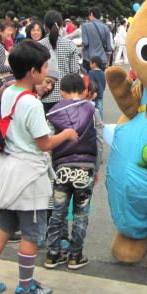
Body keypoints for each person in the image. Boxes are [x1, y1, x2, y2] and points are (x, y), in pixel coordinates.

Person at [0, 40, 78, 294]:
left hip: (8, 169)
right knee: (31, 231)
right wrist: (65, 134)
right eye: (43, 68)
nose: (45, 73)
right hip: (28, 175)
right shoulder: (32, 103)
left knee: (5, 224)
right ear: (33, 71)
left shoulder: (8, 92)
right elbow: (43, 143)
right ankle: (26, 286)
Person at [43, 73, 103, 270]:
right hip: (85, 167)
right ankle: (76, 256)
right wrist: (96, 166)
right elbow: (99, 141)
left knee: (57, 212)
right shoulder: (92, 109)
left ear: (61, 92)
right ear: (85, 91)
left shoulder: (53, 112)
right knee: (80, 213)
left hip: (61, 168)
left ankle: (53, 254)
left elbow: (48, 142)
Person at [38, 10, 79, 113]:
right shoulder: (70, 45)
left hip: (44, 94)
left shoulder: (38, 46)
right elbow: (74, 71)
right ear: (61, 26)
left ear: (44, 26)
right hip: (65, 95)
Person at [81, 7, 112, 72]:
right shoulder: (106, 27)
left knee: (88, 81)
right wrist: (107, 61)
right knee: (101, 80)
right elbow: (109, 47)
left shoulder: (85, 26)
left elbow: (85, 43)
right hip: (102, 59)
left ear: (91, 14)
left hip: (89, 60)